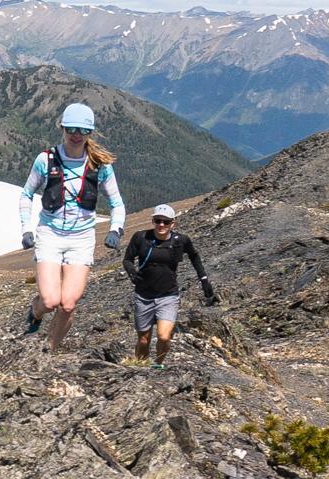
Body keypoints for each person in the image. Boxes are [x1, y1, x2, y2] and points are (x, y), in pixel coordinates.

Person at [17, 103, 127, 351]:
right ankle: (36, 312)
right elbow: (27, 194)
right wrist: (26, 229)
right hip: (50, 234)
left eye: (83, 130)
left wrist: (115, 229)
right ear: (62, 128)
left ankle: (49, 350)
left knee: (68, 304)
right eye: (71, 129)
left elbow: (116, 203)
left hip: (82, 238)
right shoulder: (45, 159)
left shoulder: (100, 165)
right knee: (50, 300)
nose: (76, 134)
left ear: (90, 133)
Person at [123, 203, 216, 368]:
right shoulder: (140, 237)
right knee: (144, 340)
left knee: (164, 336)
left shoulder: (181, 241)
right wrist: (131, 272)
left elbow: (194, 256)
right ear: (153, 221)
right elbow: (127, 259)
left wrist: (204, 279)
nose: (161, 225)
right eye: (158, 220)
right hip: (143, 295)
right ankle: (140, 367)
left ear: (173, 224)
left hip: (168, 295)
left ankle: (157, 365)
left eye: (166, 222)